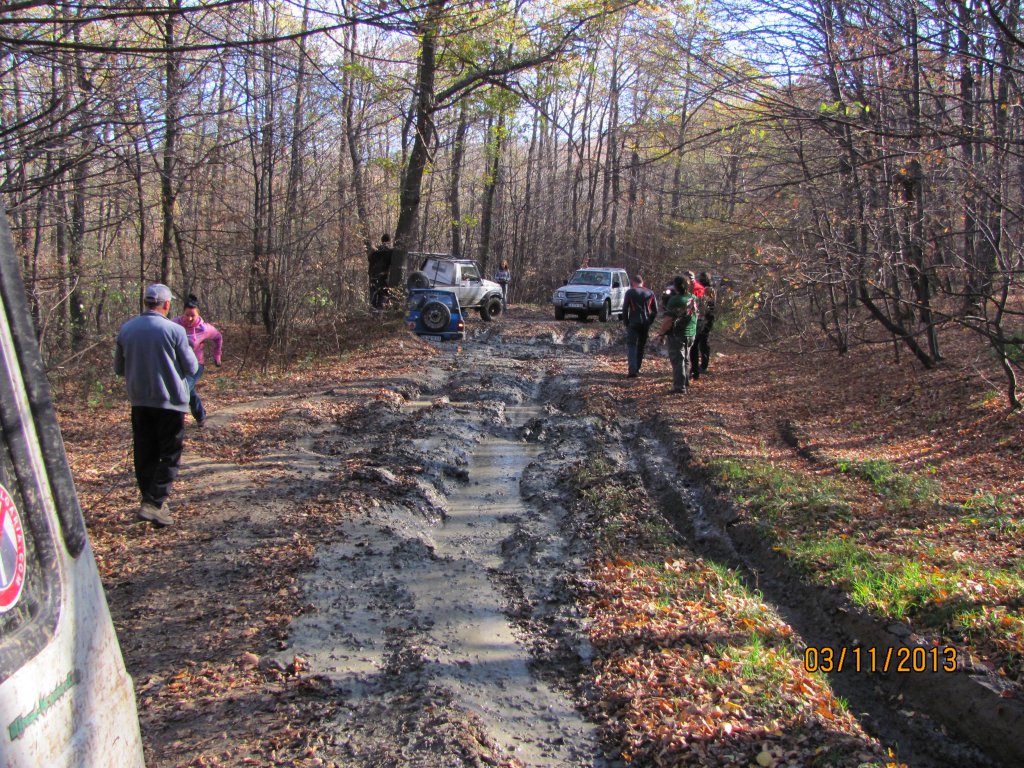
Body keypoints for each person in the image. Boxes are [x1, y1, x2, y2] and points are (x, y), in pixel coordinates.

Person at [114, 284, 198, 527]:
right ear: (167, 304)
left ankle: (150, 501)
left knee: (145, 452)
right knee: (170, 454)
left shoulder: (126, 329)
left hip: (140, 402)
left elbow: (119, 369)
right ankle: (154, 502)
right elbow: (191, 368)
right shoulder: (175, 330)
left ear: (145, 303)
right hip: (170, 403)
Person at [173, 294, 223, 426]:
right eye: (187, 315)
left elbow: (218, 337)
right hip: (178, 365)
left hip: (196, 365)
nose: (189, 318)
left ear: (198, 315)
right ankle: (200, 415)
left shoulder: (204, 328)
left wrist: (217, 356)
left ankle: (178, 421)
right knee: (188, 390)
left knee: (183, 390)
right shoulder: (174, 324)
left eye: (192, 315)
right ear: (182, 313)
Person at [659, 275, 699, 393]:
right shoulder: (693, 298)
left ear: (676, 287)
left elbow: (668, 320)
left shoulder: (675, 300)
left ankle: (679, 387)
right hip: (691, 333)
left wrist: (661, 333)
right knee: (686, 359)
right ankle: (685, 382)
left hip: (678, 334)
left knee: (677, 360)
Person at [621, 274, 658, 378]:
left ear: (633, 282)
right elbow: (655, 311)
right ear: (643, 282)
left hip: (633, 322)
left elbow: (625, 309)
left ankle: (632, 370)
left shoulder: (630, 292)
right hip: (645, 323)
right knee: (641, 346)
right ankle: (637, 368)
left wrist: (626, 322)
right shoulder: (650, 292)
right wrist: (650, 321)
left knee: (632, 345)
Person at [691, 271, 716, 378]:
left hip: (705, 317)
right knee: (702, 341)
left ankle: (702, 365)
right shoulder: (709, 289)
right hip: (707, 317)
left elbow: (708, 304)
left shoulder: (707, 289)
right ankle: (700, 365)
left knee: (700, 342)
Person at [368, 234, 393, 309]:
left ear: (382, 240)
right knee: (383, 295)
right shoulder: (390, 251)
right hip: (383, 276)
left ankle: (373, 312)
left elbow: (369, 260)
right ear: (389, 241)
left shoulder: (375, 251)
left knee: (373, 294)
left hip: (373, 276)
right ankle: (380, 313)